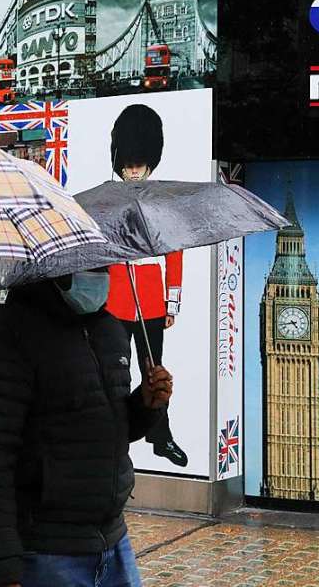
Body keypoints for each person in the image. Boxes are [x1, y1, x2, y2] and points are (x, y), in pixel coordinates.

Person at [0, 269, 174, 587]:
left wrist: (146, 404)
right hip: (45, 554)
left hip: (114, 544)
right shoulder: (9, 338)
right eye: (92, 267)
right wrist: (1, 569)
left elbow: (112, 428)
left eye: (104, 265)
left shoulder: (109, 331)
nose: (101, 274)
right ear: (56, 270)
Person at [106, 103, 188, 467]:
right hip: (115, 295)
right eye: (128, 162)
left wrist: (172, 302)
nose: (134, 167)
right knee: (114, 371)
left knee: (153, 370)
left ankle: (159, 434)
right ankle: (114, 435)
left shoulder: (161, 201)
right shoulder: (107, 200)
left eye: (139, 162)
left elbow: (173, 251)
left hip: (151, 296)